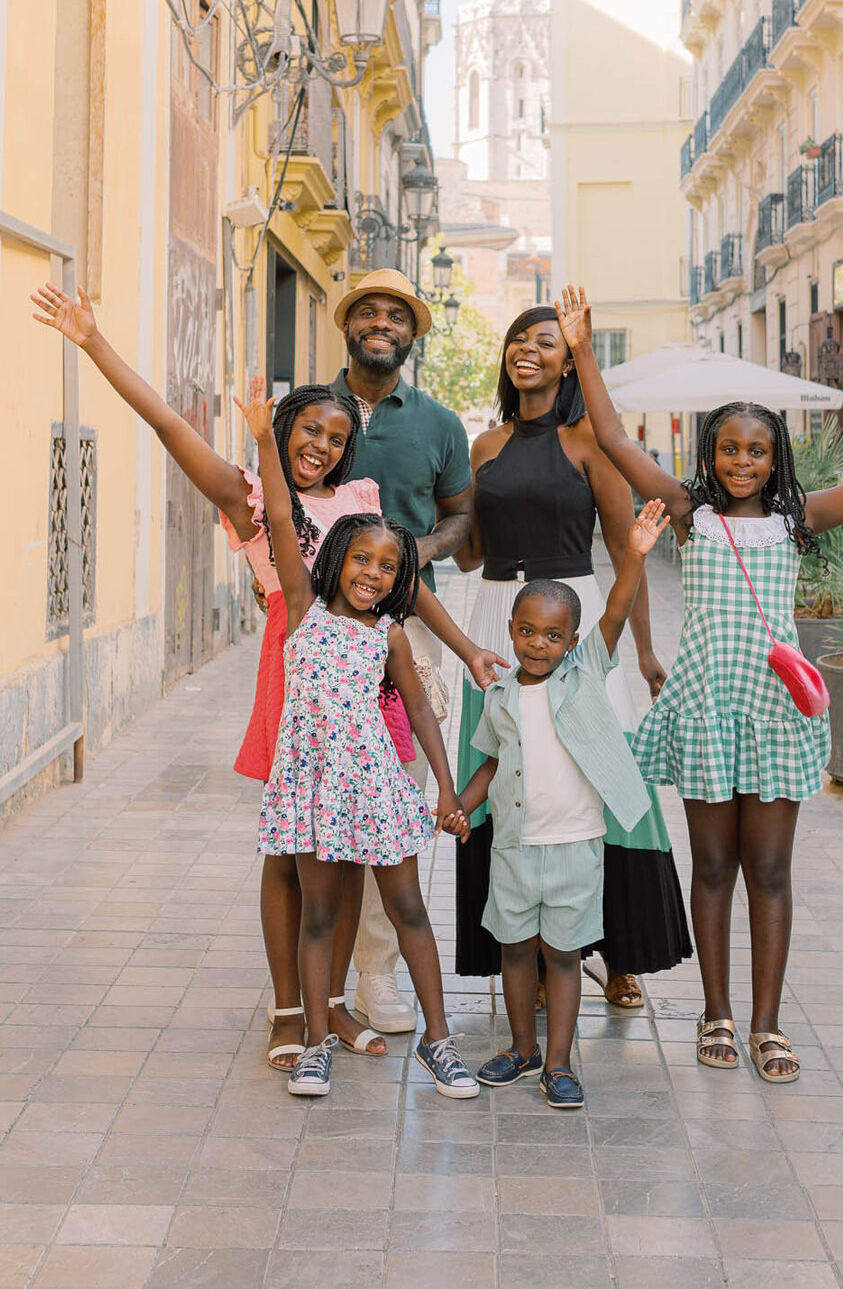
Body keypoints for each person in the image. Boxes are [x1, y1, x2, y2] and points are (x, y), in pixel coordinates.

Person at [30, 281, 500, 1072]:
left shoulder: (359, 497)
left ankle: (337, 1005)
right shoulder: (251, 500)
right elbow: (167, 422)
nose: (318, 443)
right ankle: (291, 1010)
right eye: (306, 429)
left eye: (333, 435)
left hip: (373, 685)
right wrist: (93, 342)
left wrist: (460, 646)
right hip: (299, 683)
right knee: (292, 854)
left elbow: (407, 579)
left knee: (348, 847)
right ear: (281, 432)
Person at [557, 286, 843, 1084]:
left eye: (757, 450)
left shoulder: (801, 519)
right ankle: (714, 1012)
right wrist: (583, 348)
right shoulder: (688, 514)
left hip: (772, 712)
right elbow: (613, 435)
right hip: (707, 707)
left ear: (776, 455)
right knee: (713, 869)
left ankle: (767, 1024)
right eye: (729, 448)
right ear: (710, 453)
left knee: (771, 871)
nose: (743, 461)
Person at [234, 375, 478, 1101]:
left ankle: (439, 1040)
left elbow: (424, 714)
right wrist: (260, 437)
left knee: (408, 909)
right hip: (311, 787)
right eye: (363, 559)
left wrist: (444, 785)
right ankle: (315, 1045)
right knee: (321, 915)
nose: (374, 574)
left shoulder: (391, 635)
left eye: (389, 567)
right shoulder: (303, 606)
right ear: (333, 555)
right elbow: (279, 510)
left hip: (376, 785)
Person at [453, 306, 692, 1005]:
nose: (527, 350)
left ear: (567, 363)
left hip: (580, 621)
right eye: (518, 340)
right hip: (498, 617)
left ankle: (620, 952)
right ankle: (517, 957)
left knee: (606, 777)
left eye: (544, 342)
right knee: (504, 776)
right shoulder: (483, 445)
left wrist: (645, 650)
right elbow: (470, 551)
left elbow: (627, 549)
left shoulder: (588, 439)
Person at [320, 269, 488, 1037]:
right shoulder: (314, 410)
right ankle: (312, 972)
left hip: (410, 627)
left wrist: (414, 555)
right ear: (348, 326)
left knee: (391, 799)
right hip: (318, 629)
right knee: (319, 796)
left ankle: (376, 975)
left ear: (412, 335)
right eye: (368, 312)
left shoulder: (440, 424)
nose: (381, 323)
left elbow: (460, 518)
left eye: (396, 314)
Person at [459, 500, 669, 1110]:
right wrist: (463, 809)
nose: (537, 644)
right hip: (515, 847)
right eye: (527, 632)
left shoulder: (583, 672)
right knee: (516, 950)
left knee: (564, 955)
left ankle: (558, 1063)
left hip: (576, 846)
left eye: (553, 635)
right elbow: (490, 763)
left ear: (573, 642)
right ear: (511, 631)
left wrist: (632, 553)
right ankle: (522, 1050)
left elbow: (617, 611)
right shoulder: (499, 693)